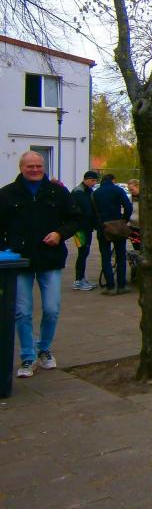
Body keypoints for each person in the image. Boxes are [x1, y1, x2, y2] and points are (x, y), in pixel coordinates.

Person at [0, 151, 81, 378]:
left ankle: (43, 348)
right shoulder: (7, 194)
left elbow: (75, 218)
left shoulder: (58, 192)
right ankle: (28, 356)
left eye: (38, 166)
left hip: (50, 259)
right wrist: (6, 248)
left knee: (52, 309)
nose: (35, 170)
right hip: (20, 261)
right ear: (21, 167)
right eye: (30, 166)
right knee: (22, 312)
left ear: (44, 167)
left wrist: (59, 233)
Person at [92, 173, 133, 295]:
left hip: (103, 227)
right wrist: (124, 220)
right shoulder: (118, 190)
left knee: (105, 257)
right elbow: (128, 207)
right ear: (113, 180)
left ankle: (110, 286)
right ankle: (121, 285)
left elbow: (93, 212)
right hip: (118, 225)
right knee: (121, 256)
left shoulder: (95, 193)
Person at [71, 170, 100, 291]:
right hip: (80, 228)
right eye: (92, 180)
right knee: (82, 252)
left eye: (95, 181)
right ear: (86, 179)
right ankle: (78, 280)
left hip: (85, 227)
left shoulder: (86, 191)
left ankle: (81, 278)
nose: (94, 183)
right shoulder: (79, 192)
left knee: (84, 252)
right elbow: (86, 210)